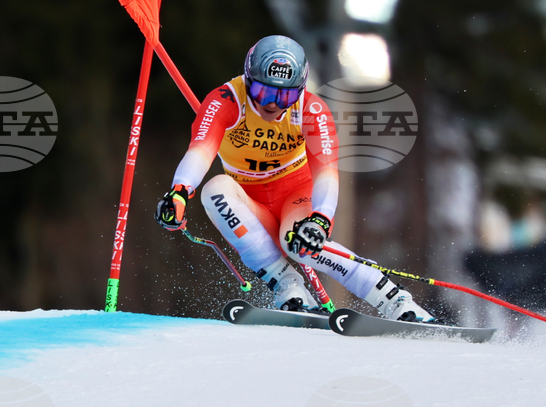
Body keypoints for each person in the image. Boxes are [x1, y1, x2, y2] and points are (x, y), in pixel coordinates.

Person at [154, 35, 433, 322]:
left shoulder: (310, 110)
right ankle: (287, 285)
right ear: (248, 80)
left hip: (297, 195)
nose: (274, 105)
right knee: (214, 190)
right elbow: (200, 151)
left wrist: (320, 219)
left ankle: (394, 300)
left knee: (298, 243)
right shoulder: (226, 100)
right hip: (251, 203)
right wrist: (178, 193)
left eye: (285, 95)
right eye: (264, 93)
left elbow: (326, 172)